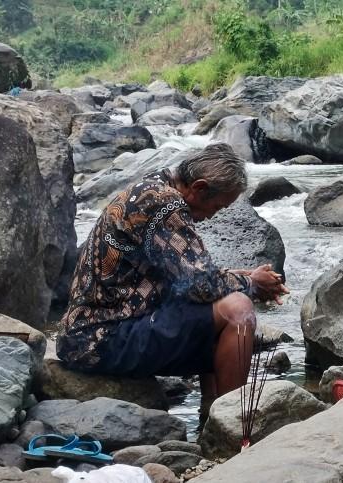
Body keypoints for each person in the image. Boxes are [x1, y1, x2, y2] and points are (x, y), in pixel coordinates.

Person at [57, 143, 288, 427]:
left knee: (220, 298)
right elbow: (200, 285)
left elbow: (189, 276)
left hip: (92, 332)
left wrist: (243, 276)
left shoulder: (156, 186)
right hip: (101, 338)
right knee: (237, 309)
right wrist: (250, 282)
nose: (213, 215)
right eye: (217, 207)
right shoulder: (164, 205)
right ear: (199, 188)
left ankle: (211, 414)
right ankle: (232, 424)